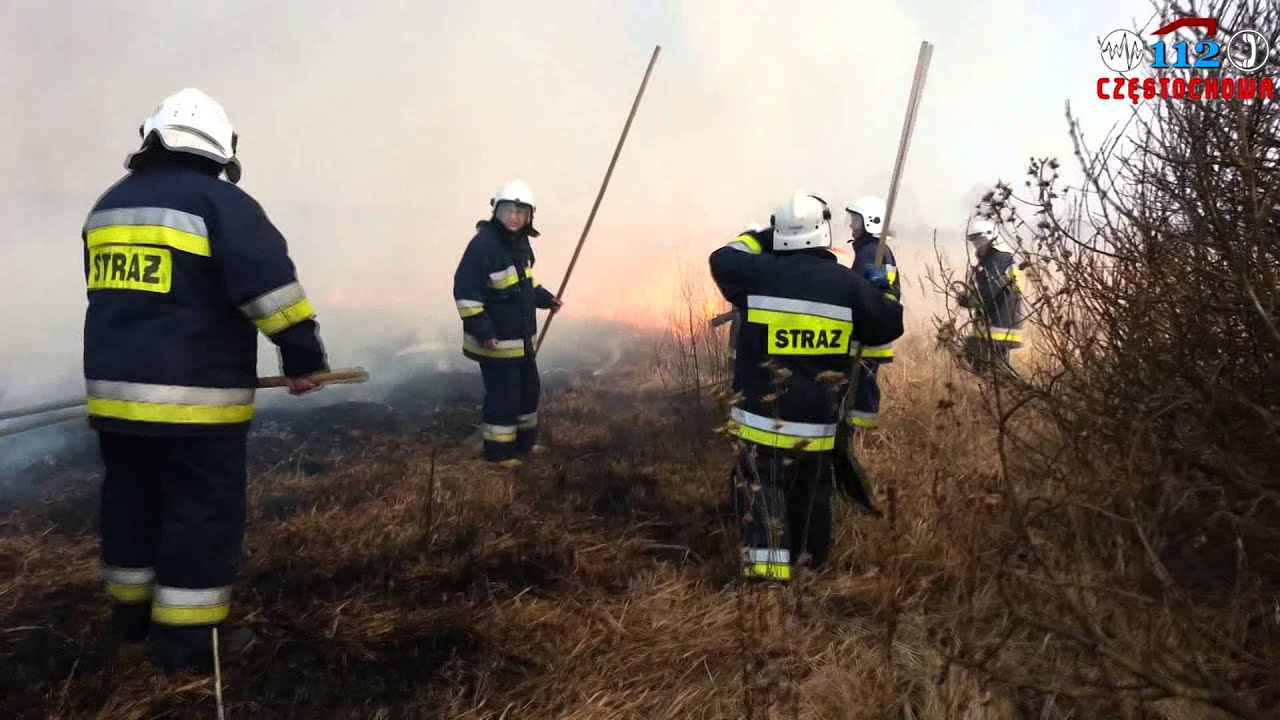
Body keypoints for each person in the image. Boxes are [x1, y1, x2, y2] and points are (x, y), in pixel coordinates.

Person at [82, 87, 330, 673]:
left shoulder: (108, 205)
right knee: (200, 515)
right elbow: (271, 290)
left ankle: (130, 620)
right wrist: (301, 358)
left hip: (116, 401)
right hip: (194, 405)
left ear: (153, 136)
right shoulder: (221, 204)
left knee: (130, 505)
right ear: (221, 147)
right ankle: (188, 643)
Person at [708, 191, 904, 580]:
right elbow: (888, 323)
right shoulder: (847, 284)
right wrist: (881, 289)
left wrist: (760, 237)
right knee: (811, 496)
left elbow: (722, 258)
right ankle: (809, 573)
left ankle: (767, 583)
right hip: (817, 426)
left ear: (779, 232)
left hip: (761, 421)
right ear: (822, 231)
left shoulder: (757, 274)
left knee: (762, 493)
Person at [452, 180, 562, 468]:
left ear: (529, 216)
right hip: (496, 344)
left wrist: (546, 299)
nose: (514, 217)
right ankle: (499, 454)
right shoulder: (483, 246)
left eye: (521, 211)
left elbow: (524, 284)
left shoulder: (520, 244)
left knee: (528, 392)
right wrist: (484, 332)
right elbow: (466, 295)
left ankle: (525, 445)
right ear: (496, 211)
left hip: (521, 342)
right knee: (504, 398)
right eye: (509, 210)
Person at [843, 196, 901, 431]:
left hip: (867, 338)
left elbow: (873, 293)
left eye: (856, 220)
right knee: (862, 387)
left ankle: (860, 433)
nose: (851, 225)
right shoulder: (875, 251)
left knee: (861, 390)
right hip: (872, 334)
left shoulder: (872, 253)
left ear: (870, 222)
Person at [954, 218, 1024, 375]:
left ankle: (1004, 388)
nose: (976, 244)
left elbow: (991, 291)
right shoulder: (998, 259)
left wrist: (969, 301)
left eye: (978, 239)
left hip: (998, 325)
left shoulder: (997, 259)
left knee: (986, 367)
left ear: (991, 237)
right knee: (993, 370)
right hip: (1001, 324)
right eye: (973, 239)